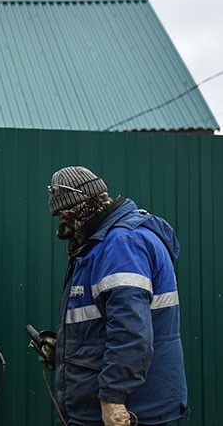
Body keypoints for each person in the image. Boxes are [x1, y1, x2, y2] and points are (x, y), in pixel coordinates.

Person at [47, 166, 187, 425]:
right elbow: (104, 322)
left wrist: (113, 398)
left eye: (65, 216)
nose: (63, 224)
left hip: (129, 409)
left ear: (84, 208)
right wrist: (65, 349)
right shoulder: (102, 244)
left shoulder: (121, 244)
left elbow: (130, 331)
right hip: (101, 406)